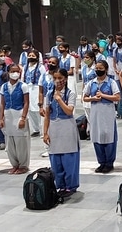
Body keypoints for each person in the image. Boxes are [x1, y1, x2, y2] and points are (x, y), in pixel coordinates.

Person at [43, 68, 80, 197]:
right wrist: (45, 132)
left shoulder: (70, 94)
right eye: (55, 78)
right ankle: (60, 185)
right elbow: (47, 114)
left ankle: (70, 186)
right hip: (54, 128)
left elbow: (69, 111)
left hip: (67, 128)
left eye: (60, 78)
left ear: (66, 79)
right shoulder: (48, 94)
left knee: (68, 158)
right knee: (56, 159)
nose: (58, 81)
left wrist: (59, 99)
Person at [83, 60, 120, 173]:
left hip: (108, 112)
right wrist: (93, 98)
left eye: (100, 68)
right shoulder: (91, 83)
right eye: (96, 69)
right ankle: (101, 162)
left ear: (106, 69)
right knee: (97, 136)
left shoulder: (111, 82)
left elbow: (117, 97)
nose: (98, 71)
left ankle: (109, 162)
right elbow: (84, 97)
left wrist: (103, 95)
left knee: (108, 136)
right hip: (96, 112)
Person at [0, 64, 30, 174]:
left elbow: (26, 102)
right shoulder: (4, 87)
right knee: (10, 141)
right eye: (13, 71)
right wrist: (1, 118)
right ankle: (14, 164)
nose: (15, 73)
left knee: (20, 141)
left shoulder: (23, 86)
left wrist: (23, 118)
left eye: (17, 71)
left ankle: (23, 165)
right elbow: (2, 103)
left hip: (19, 113)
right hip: (8, 114)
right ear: (8, 72)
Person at [23, 49, 46, 137]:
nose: (31, 57)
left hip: (36, 88)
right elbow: (22, 78)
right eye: (29, 56)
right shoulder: (25, 67)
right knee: (30, 109)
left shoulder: (41, 67)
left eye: (33, 56)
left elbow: (43, 78)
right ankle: (35, 129)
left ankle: (42, 129)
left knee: (37, 109)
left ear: (37, 57)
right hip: (27, 89)